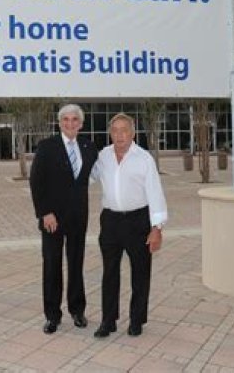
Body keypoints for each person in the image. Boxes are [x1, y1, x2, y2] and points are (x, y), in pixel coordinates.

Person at [90, 113, 168, 338]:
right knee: (109, 273)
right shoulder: (103, 156)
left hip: (138, 221)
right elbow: (87, 177)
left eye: (124, 130)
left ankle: (136, 320)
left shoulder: (144, 159)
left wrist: (157, 228)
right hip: (110, 222)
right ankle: (108, 321)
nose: (120, 135)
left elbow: (155, 193)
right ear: (110, 133)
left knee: (140, 273)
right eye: (115, 130)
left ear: (132, 133)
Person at [29, 104, 98, 334]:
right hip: (53, 218)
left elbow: (97, 173)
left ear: (81, 123)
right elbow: (36, 181)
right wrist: (45, 212)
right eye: (65, 119)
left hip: (78, 216)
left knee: (76, 264)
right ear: (59, 123)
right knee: (52, 265)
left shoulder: (89, 147)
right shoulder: (47, 147)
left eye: (74, 119)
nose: (70, 123)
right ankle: (52, 316)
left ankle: (77, 311)